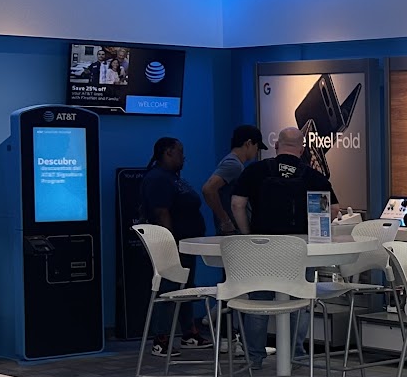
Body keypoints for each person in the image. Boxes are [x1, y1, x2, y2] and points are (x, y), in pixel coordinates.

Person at [229, 127, 338, 363]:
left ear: (277, 146)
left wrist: (247, 234)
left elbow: (237, 204)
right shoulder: (313, 175)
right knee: (299, 302)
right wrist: (313, 234)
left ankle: (254, 357)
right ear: (302, 149)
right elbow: (333, 209)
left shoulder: (256, 171)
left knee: (258, 302)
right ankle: (295, 355)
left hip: (262, 247)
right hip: (300, 250)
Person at [135, 136, 209, 352]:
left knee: (186, 288)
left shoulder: (173, 177)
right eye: (180, 151)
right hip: (173, 246)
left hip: (186, 244)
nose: (183, 157)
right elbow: (161, 212)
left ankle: (189, 334)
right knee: (168, 289)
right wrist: (169, 246)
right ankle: (161, 340)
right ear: (168, 152)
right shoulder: (158, 178)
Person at [200, 124, 264, 235]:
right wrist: (225, 220)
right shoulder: (233, 165)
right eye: (257, 147)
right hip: (232, 232)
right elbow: (208, 189)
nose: (257, 151)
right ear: (248, 143)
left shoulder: (234, 163)